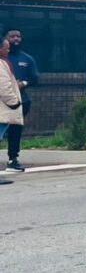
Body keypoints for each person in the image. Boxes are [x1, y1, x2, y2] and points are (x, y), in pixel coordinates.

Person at [4, 28, 38, 173]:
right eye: (12, 36)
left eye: (18, 36)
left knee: (15, 131)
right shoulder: (2, 60)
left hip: (20, 101)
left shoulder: (27, 59)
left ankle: (13, 159)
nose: (16, 39)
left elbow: (34, 78)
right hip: (2, 102)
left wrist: (23, 83)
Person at [0, 36, 25, 185]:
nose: (8, 50)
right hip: (3, 110)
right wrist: (14, 103)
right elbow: (4, 87)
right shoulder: (1, 64)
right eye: (6, 47)